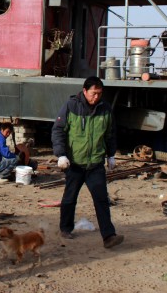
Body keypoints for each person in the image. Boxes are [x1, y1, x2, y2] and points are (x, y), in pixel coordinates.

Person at [51, 76, 124, 249]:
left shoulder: (105, 109)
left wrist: (111, 155)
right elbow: (58, 130)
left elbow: (110, 134)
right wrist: (61, 154)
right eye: (93, 93)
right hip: (75, 163)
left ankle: (108, 236)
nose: (96, 97)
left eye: (99, 93)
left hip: (95, 164)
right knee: (69, 198)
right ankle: (65, 228)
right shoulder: (71, 106)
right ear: (85, 91)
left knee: (101, 200)